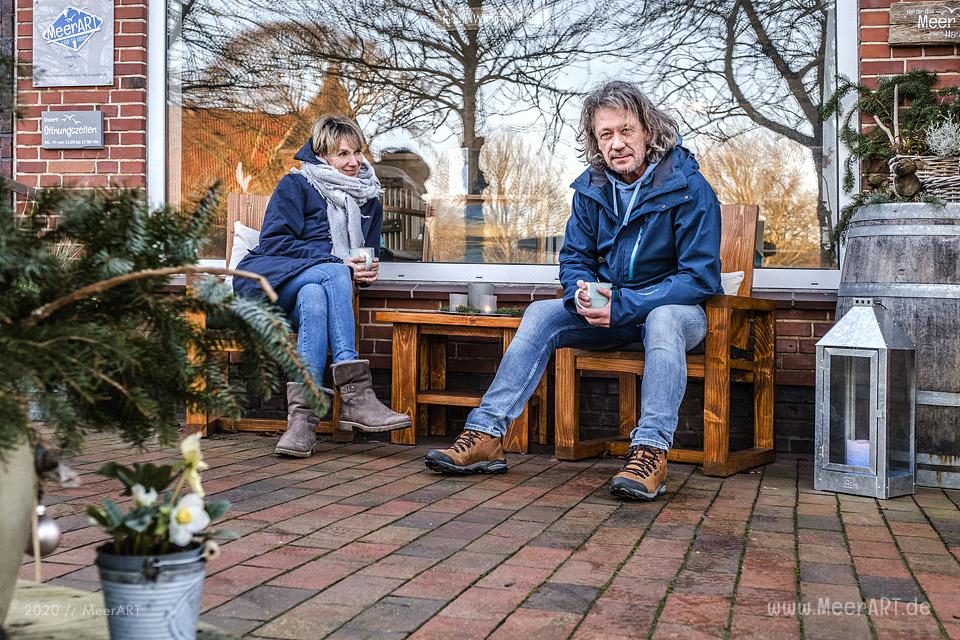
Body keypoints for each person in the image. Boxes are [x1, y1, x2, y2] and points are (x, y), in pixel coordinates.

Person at [424, 81, 722, 501]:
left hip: (675, 314)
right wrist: (579, 295)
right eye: (606, 135)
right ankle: (486, 434)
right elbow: (575, 258)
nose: (617, 144)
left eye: (626, 131)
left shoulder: (689, 188)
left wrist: (627, 304)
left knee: (664, 317)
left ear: (648, 131)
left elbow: (699, 278)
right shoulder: (591, 190)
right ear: (595, 142)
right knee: (542, 313)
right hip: (611, 312)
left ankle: (650, 452)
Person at [234, 115, 411, 457]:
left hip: (315, 291)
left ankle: (302, 422)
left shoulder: (369, 197)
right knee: (331, 271)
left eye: (357, 152)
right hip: (274, 281)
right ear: (322, 155)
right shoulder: (296, 185)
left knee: (316, 294)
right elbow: (274, 242)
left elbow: (366, 253)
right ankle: (356, 396)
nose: (353, 161)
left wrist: (365, 270)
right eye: (343, 154)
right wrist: (333, 261)